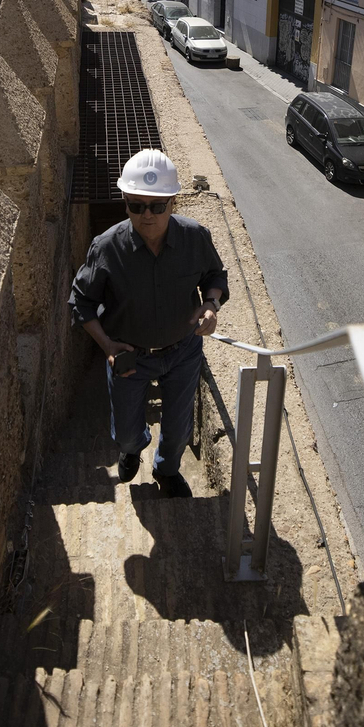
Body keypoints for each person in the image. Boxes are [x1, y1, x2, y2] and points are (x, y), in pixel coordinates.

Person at [69, 149, 229, 497]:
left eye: (157, 206)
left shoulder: (195, 237)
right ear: (125, 202)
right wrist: (108, 346)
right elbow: (81, 301)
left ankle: (167, 471)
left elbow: (215, 274)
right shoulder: (106, 248)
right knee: (126, 431)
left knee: (178, 425)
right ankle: (132, 448)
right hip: (129, 356)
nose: (147, 215)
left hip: (183, 350)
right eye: (136, 205)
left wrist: (212, 304)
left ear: (173, 202)